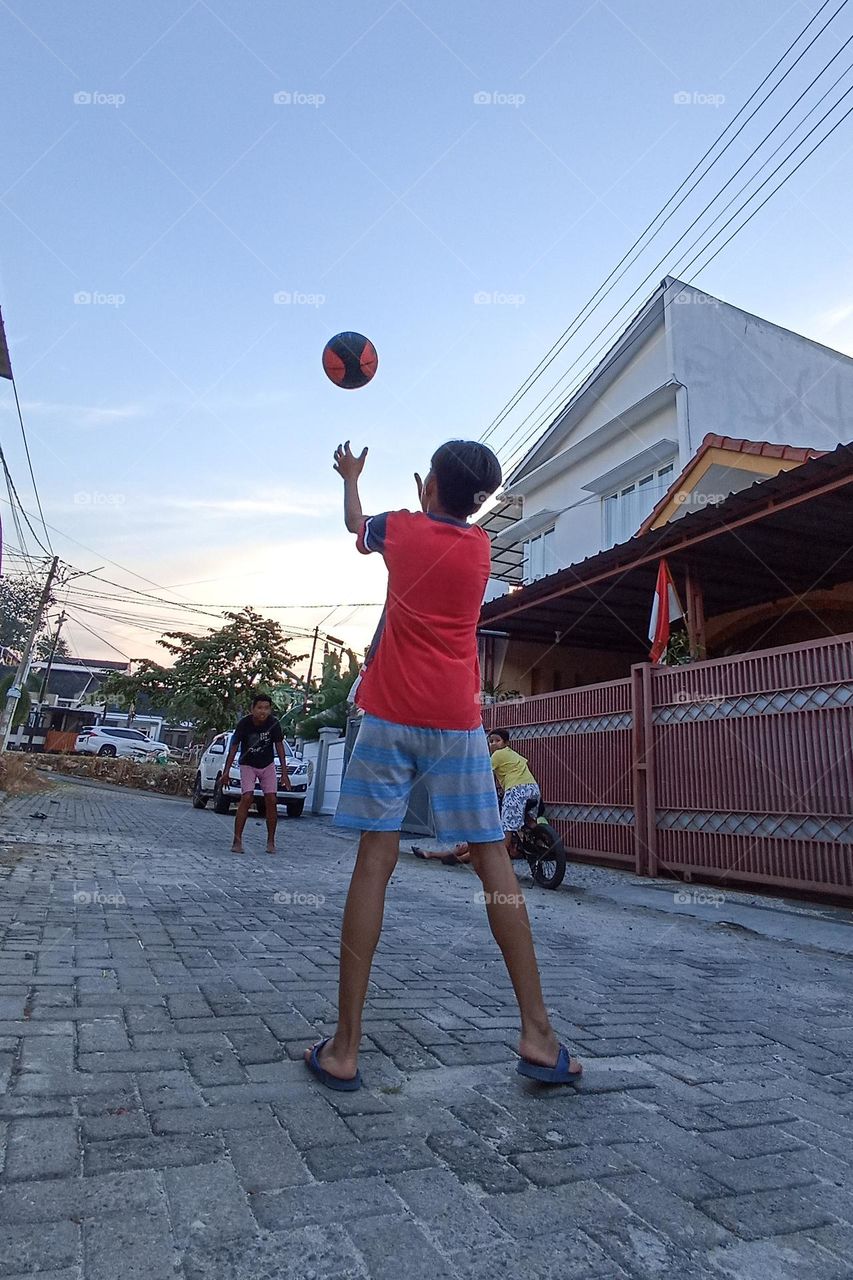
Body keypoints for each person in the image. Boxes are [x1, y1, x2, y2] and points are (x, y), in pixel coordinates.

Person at [304, 439, 582, 1092]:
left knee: (376, 860)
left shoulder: (398, 529)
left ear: (429, 485)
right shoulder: (479, 550)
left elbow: (354, 524)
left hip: (390, 714)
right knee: (491, 861)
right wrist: (436, 502)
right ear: (478, 501)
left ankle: (344, 1048)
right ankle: (537, 1034)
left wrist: (350, 477)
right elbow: (446, 520)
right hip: (457, 724)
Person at [409, 728, 540, 861]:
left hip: (516, 790)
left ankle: (497, 859)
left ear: (506, 743)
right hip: (533, 789)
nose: (493, 744)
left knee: (506, 828)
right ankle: (550, 844)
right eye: (491, 741)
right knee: (530, 823)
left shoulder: (498, 755)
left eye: (497, 741)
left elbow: (483, 773)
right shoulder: (514, 755)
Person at [221, 694, 292, 854]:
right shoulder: (244, 724)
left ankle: (271, 841)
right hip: (248, 765)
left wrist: (284, 773)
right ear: (252, 709)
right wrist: (225, 772)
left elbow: (280, 747)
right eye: (259, 708)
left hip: (267, 764)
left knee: (272, 800)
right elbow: (233, 747)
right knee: (246, 798)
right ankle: (237, 841)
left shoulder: (273, 723)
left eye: (266, 708)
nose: (263, 711)